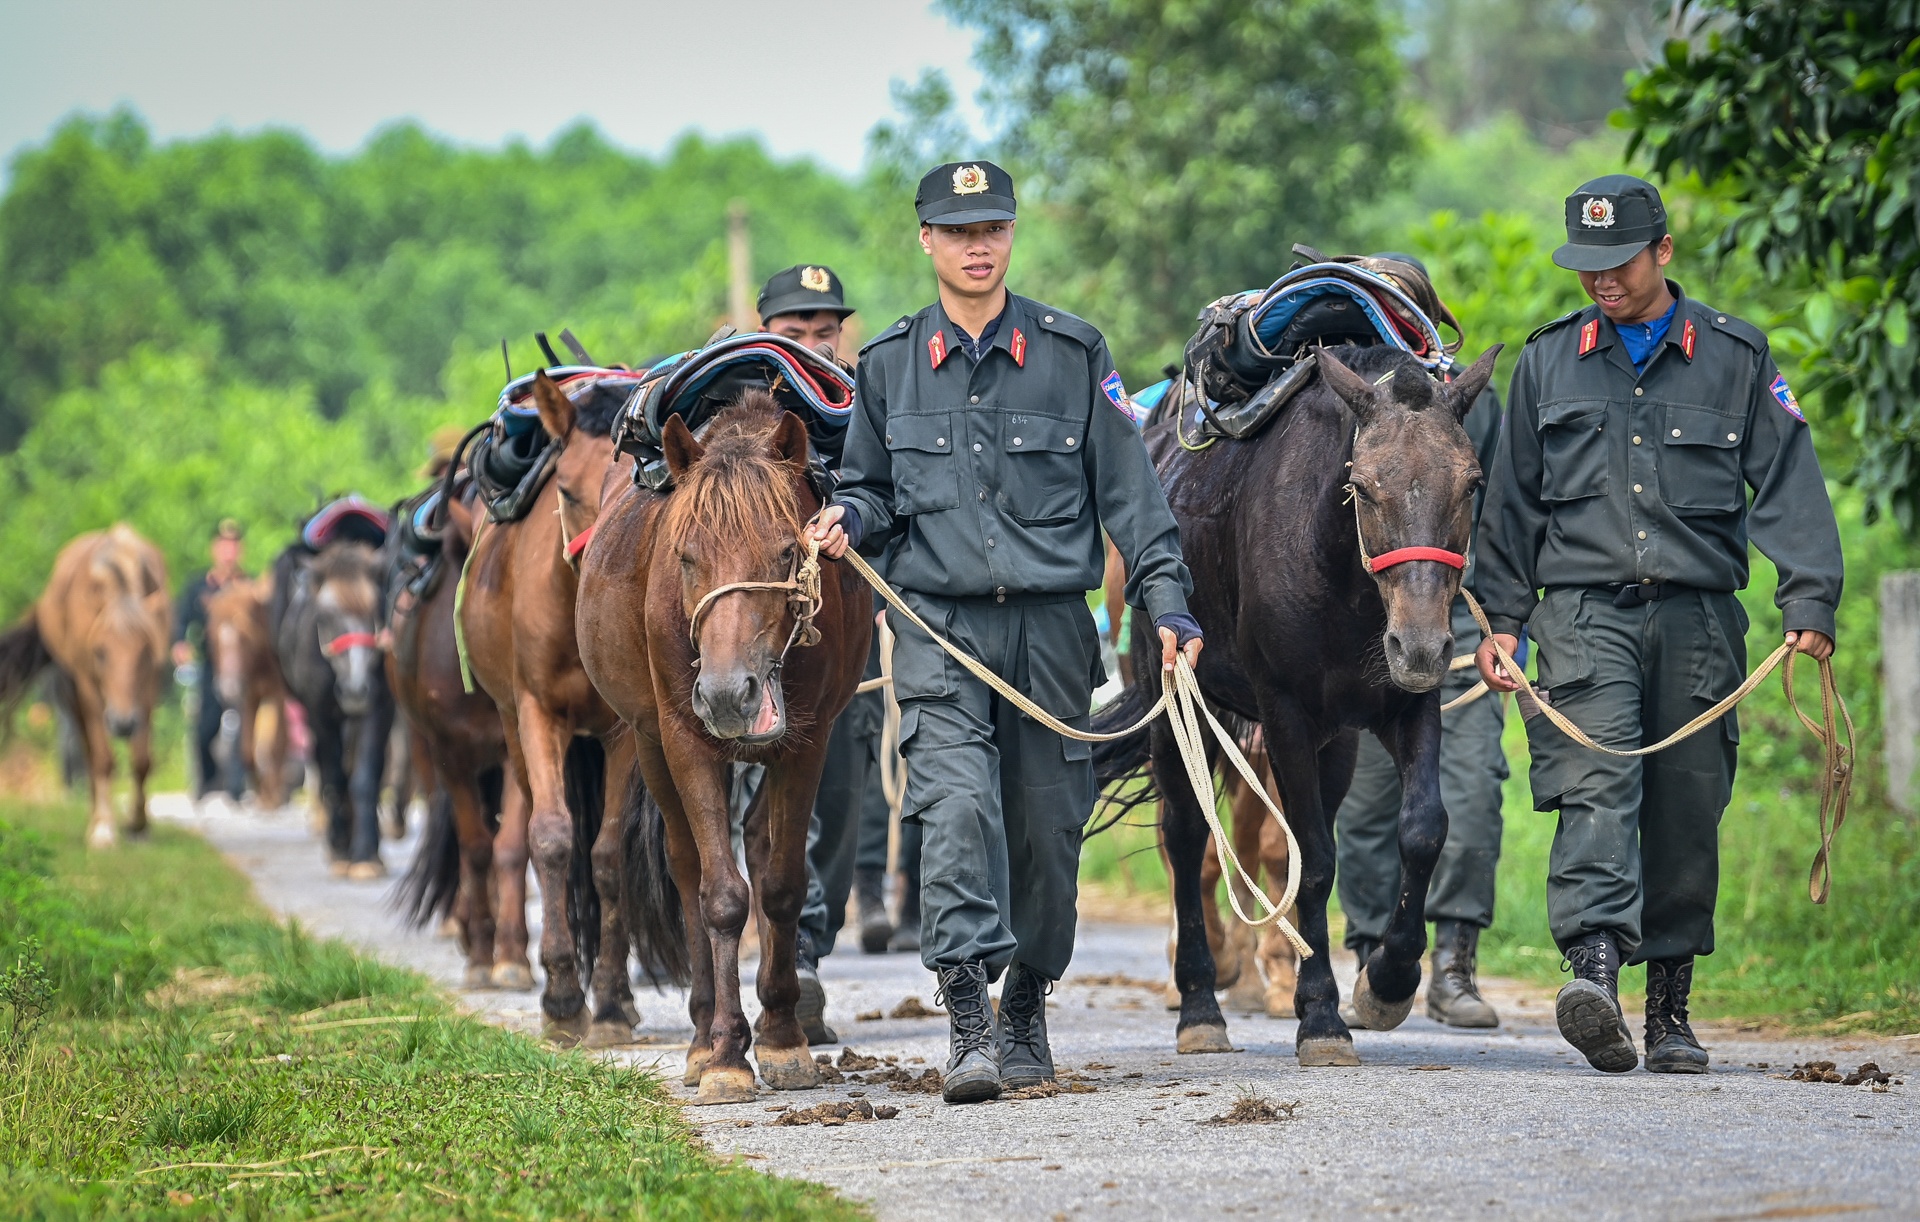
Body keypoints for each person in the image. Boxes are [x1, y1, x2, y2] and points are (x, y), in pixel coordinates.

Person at [809, 160, 1202, 1103]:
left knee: (1047, 832)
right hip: (939, 629)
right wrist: (849, 517)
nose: (976, 246)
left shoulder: (1073, 354)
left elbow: (1135, 502)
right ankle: (967, 1016)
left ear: (1012, 234)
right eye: (957, 231)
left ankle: (1026, 998)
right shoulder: (889, 364)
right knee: (953, 810)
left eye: (991, 228)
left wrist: (1168, 608)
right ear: (927, 241)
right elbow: (869, 488)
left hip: (1052, 632)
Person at [1474, 175, 1842, 1074]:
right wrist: (1501, 621)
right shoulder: (1548, 361)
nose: (1602, 280)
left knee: (1686, 805)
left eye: (1620, 263)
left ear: (1664, 252)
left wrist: (1809, 599)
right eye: (1587, 265)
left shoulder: (1735, 356)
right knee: (1594, 785)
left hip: (1698, 620)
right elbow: (1513, 505)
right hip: (1582, 614)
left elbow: (1788, 480)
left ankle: (1670, 1010)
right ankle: (1594, 977)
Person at [1333, 257, 1511, 1027]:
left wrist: (1505, 619)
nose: (1391, 325)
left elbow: (1512, 509)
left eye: (1404, 311)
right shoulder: (1339, 406)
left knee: (1468, 793)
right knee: (1366, 802)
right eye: (1375, 310)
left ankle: (1455, 965)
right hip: (1373, 624)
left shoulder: (1475, 403)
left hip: (1462, 620)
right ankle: (1370, 955)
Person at [752, 264, 890, 1040]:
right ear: (764, 331)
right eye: (795, 331)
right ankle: (768, 952)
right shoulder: (729, 411)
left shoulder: (867, 405)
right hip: (744, 638)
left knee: (839, 794)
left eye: (825, 330)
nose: (812, 343)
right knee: (745, 804)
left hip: (843, 636)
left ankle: (807, 950)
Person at [172, 519, 248, 801]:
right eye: (224, 546)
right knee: (205, 725)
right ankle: (207, 778)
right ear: (214, 549)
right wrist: (179, 643)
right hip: (210, 665)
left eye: (234, 546)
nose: (229, 552)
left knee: (244, 723)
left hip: (244, 667)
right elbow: (180, 620)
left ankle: (238, 785)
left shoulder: (247, 586)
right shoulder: (199, 587)